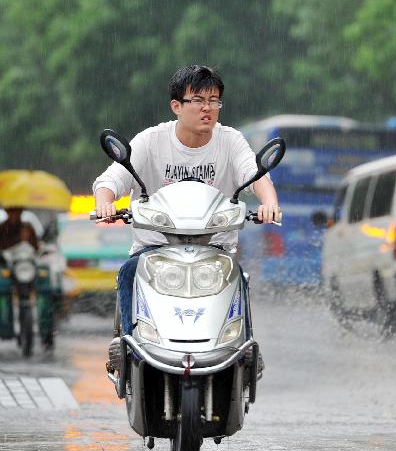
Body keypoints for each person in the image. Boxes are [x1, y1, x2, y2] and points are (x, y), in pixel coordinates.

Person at [93, 64, 280, 372]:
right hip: (154, 249)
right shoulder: (151, 141)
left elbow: (255, 174)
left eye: (214, 100)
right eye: (198, 100)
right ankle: (128, 347)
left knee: (238, 277)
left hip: (215, 248)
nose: (208, 108)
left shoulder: (230, 140)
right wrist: (105, 203)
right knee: (129, 272)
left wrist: (269, 202)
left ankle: (245, 349)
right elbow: (110, 181)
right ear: (176, 106)